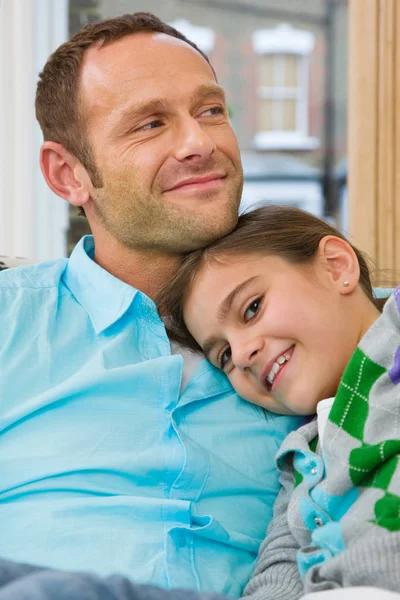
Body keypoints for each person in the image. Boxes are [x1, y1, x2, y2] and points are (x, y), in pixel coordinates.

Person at [0, 11, 302, 598]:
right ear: (68, 176)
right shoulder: (9, 320)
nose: (199, 142)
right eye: (149, 124)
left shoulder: (321, 323)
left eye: (211, 110)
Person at [157, 205, 400, 598]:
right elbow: (278, 570)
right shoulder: (303, 458)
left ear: (336, 267)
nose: (240, 355)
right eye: (223, 356)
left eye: (251, 309)